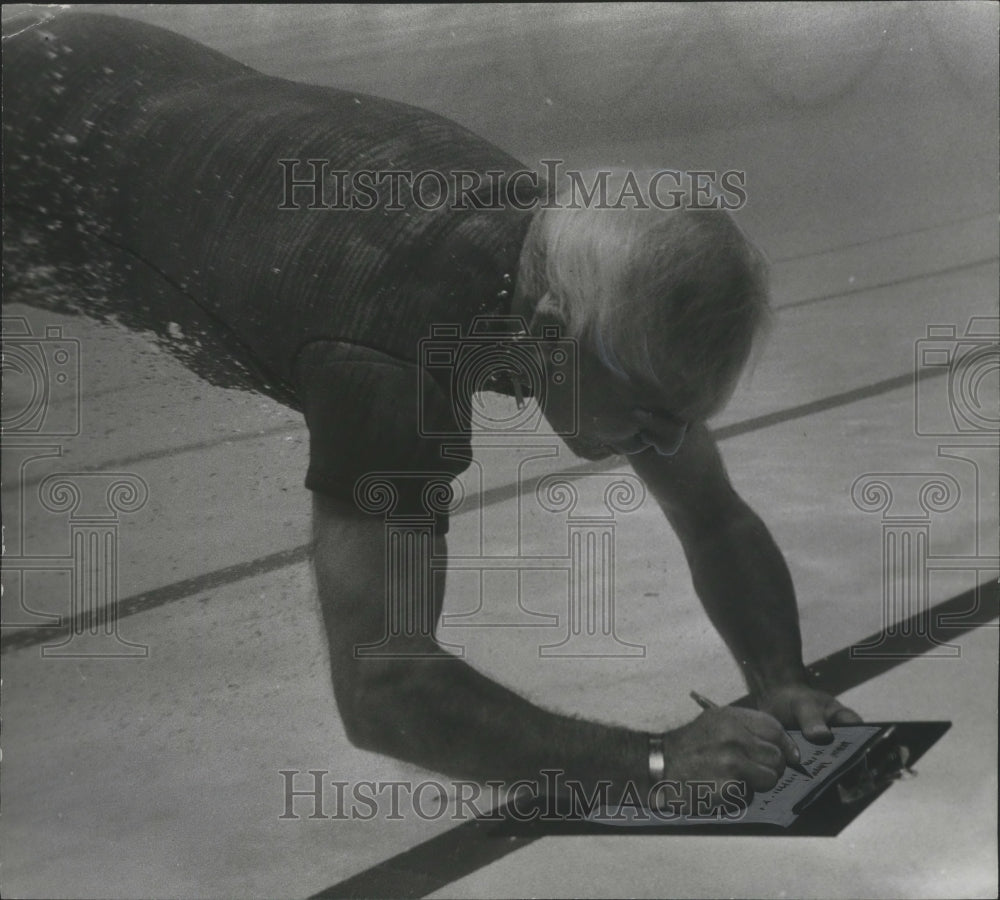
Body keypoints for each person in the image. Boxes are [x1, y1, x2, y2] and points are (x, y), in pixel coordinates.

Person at [4, 11, 861, 811]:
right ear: (554, 334)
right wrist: (653, 763)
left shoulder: (578, 258)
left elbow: (712, 518)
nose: (672, 443)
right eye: (650, 412)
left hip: (82, 53)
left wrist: (780, 677)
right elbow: (387, 690)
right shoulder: (395, 357)